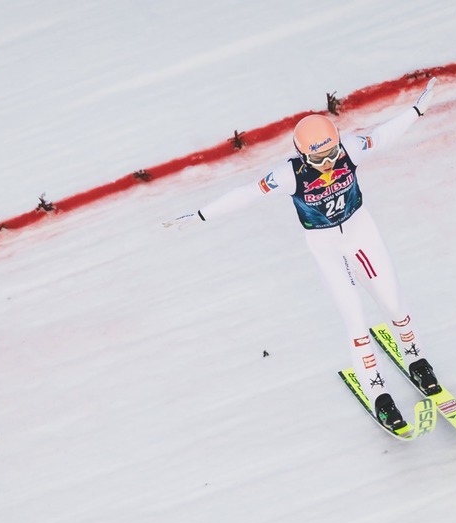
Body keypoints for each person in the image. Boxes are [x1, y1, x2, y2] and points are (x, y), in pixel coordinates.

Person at [163, 78, 440, 434]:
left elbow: (382, 136)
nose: (328, 163)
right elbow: (247, 193)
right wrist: (202, 214)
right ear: (301, 155)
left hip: (361, 234)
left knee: (393, 303)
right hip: (327, 248)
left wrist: (416, 110)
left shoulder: (350, 149)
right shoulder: (289, 175)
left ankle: (416, 358)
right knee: (356, 321)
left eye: (332, 153)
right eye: (318, 158)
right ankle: (379, 394)